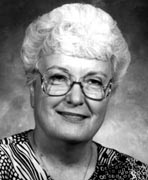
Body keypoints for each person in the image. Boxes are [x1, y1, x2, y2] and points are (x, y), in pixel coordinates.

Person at [0, 3, 147, 180]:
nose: (76, 98)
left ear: (109, 94)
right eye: (59, 78)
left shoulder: (136, 175)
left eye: (94, 81)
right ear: (33, 89)